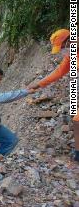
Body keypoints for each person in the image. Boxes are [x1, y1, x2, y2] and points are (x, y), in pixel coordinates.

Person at [28, 29, 79, 163]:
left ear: (70, 40)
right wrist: (39, 84)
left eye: (62, 47)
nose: (63, 51)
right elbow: (59, 71)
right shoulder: (71, 55)